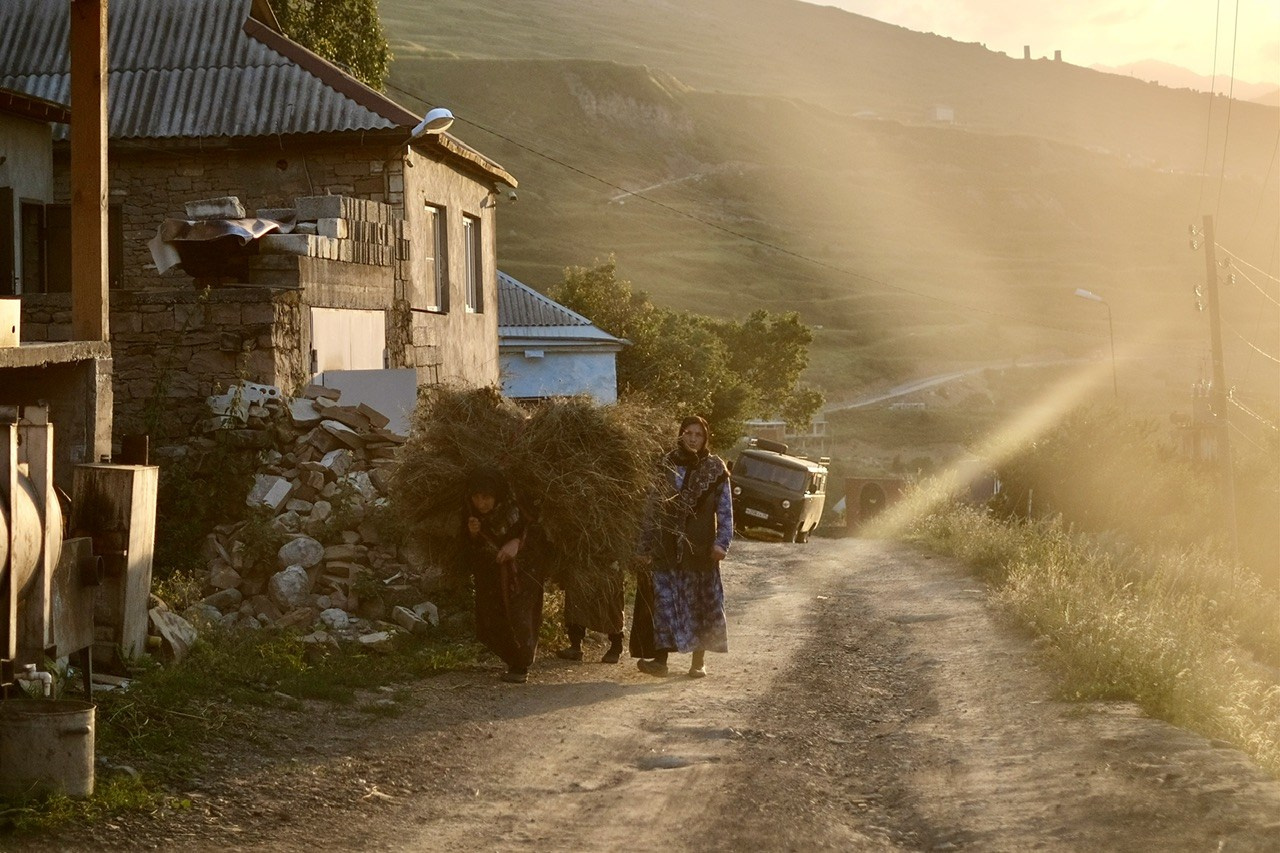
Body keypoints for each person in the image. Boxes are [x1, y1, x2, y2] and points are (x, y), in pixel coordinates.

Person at [631, 415, 732, 678]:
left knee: (699, 603)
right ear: (680, 435)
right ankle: (660, 661)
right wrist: (644, 546)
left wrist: (721, 543)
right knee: (664, 603)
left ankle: (698, 663)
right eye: (688, 433)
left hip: (699, 548)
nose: (693, 439)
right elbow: (651, 508)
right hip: (665, 546)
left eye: (698, 434)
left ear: (705, 438)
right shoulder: (666, 464)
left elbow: (725, 511)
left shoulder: (715, 469)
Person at [460, 467, 545, 683]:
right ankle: (512, 659)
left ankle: (521, 665)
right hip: (492, 576)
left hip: (523, 573)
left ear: (497, 494)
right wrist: (472, 534)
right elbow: (470, 549)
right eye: (477, 497)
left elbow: (535, 531)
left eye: (487, 497)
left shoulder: (515, 509)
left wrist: (517, 543)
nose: (482, 503)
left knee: (519, 614)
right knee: (492, 614)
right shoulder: (471, 513)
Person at [555, 568, 625, 664]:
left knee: (610, 602)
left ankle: (616, 646)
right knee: (576, 599)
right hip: (582, 563)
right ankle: (575, 646)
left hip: (609, 564)